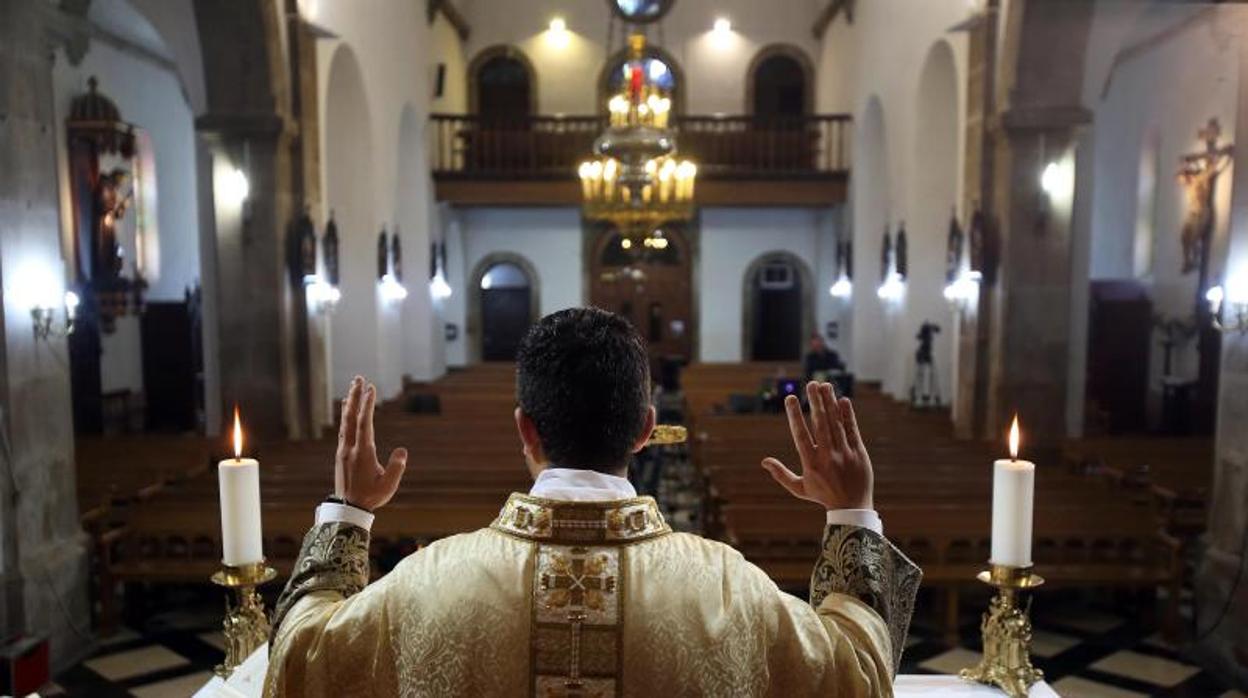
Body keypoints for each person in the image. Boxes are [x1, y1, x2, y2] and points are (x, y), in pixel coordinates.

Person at [264, 308, 920, 697]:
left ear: (525, 427)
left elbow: (298, 666)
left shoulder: (427, 584)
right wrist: (850, 514)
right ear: (644, 428)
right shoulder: (731, 590)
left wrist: (347, 514)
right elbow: (858, 678)